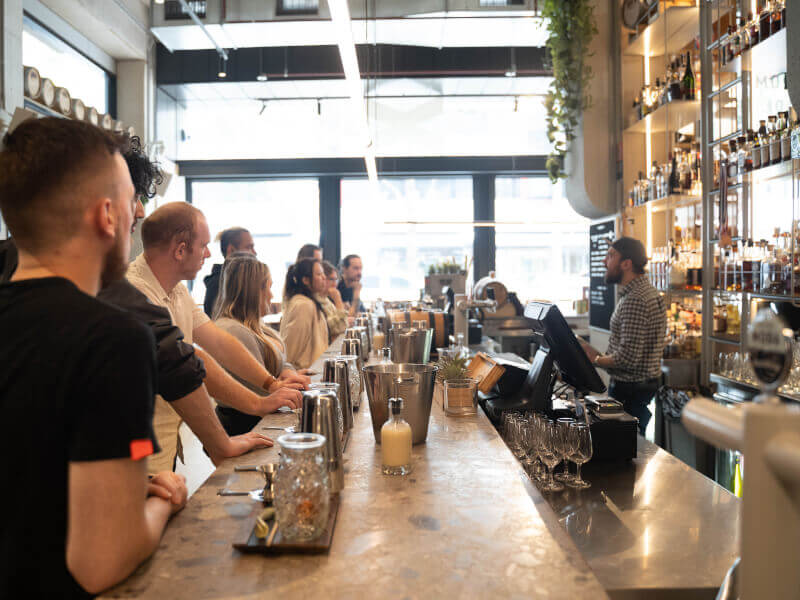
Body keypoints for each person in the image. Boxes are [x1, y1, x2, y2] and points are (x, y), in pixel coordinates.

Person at [0, 135, 278, 468]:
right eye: (131, 196)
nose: (141, 210)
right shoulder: (121, 319)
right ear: (103, 210)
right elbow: (176, 361)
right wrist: (155, 498)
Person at [0, 117, 187, 597]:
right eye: (131, 203)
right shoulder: (115, 340)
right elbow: (101, 561)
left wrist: (116, 484)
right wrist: (164, 500)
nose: (138, 214)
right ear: (107, 215)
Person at [127, 203, 307, 471]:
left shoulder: (176, 290)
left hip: (162, 441)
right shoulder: (136, 292)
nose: (209, 253)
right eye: (203, 246)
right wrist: (257, 404)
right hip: (136, 447)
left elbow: (219, 343)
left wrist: (270, 384)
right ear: (180, 250)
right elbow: (191, 360)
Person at [214, 254, 311, 435]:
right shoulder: (233, 330)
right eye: (268, 287)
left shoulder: (257, 326)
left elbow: (278, 361)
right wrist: (281, 382)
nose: (271, 294)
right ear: (253, 291)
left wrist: (287, 371)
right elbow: (260, 390)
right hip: (246, 423)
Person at [582, 237, 667, 435]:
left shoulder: (635, 299)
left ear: (626, 264)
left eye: (611, 256)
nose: (605, 261)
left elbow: (628, 358)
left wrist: (593, 359)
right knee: (632, 446)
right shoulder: (645, 292)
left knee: (625, 449)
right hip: (640, 386)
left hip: (630, 390)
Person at [280, 258, 330, 369]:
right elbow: (291, 350)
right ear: (306, 280)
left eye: (323, 273)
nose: (324, 277)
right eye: (319, 274)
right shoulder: (303, 305)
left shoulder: (308, 302)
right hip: (306, 375)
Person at [203, 227, 256, 317]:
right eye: (248, 247)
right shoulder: (218, 284)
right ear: (231, 250)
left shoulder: (240, 281)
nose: (254, 253)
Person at [320, 260, 349, 338]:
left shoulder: (326, 300)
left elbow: (343, 326)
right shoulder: (317, 302)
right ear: (322, 279)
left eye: (336, 280)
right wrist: (338, 301)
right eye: (331, 279)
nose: (335, 284)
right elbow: (340, 328)